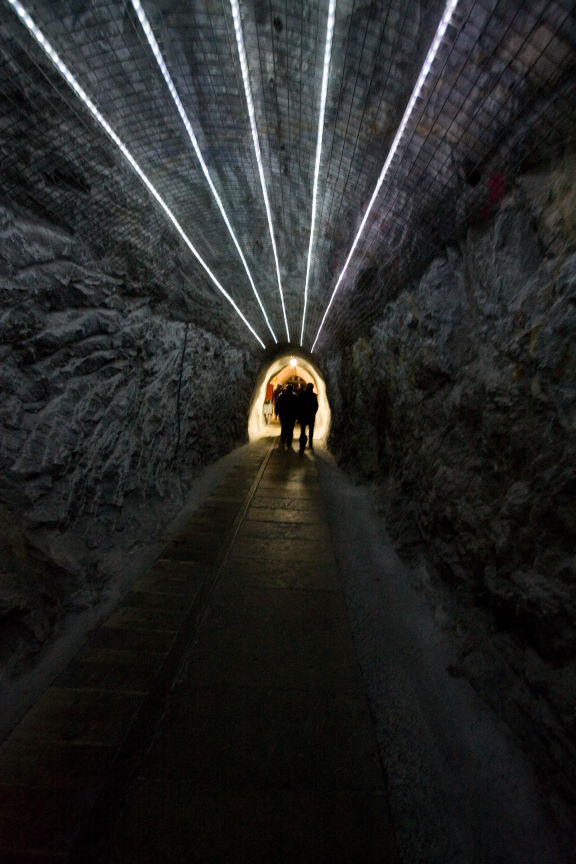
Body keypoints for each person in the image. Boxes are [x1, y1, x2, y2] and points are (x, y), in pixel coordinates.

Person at [275, 383, 300, 449]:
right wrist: (297, 416)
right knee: (290, 430)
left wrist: (277, 412)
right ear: (292, 389)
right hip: (292, 416)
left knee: (284, 428)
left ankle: (283, 440)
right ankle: (289, 443)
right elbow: (298, 407)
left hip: (283, 415)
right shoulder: (295, 397)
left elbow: (278, 404)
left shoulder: (281, 396)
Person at [298, 382, 318, 452]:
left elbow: (299, 405)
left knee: (303, 431)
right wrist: (313, 413)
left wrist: (299, 414)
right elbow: (316, 406)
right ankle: (310, 444)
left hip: (303, 416)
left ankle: (302, 445)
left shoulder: (302, 394)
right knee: (311, 430)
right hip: (311, 416)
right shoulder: (314, 396)